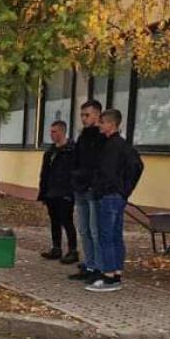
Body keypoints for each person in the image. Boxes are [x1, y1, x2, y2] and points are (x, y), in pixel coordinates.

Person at [87, 108, 134, 293]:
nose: (99, 125)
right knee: (115, 235)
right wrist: (124, 191)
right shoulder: (122, 145)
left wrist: (114, 189)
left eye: (102, 122)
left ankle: (108, 276)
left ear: (112, 124)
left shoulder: (113, 146)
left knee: (106, 236)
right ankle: (116, 272)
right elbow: (137, 166)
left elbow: (109, 172)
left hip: (108, 196)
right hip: (116, 195)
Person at [69, 100, 106, 283]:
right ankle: (89, 264)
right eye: (82, 115)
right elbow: (77, 160)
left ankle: (99, 267)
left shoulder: (102, 137)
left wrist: (93, 182)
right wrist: (74, 179)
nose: (83, 119)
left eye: (87, 115)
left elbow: (99, 164)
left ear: (97, 115)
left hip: (93, 189)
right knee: (83, 229)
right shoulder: (82, 136)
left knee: (95, 230)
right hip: (80, 188)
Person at [37, 120, 78, 263]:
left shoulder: (72, 150)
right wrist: (42, 192)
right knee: (54, 221)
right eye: (51, 131)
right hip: (51, 192)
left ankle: (73, 250)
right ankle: (56, 248)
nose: (51, 134)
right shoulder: (50, 152)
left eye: (54, 132)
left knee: (67, 221)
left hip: (66, 192)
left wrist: (72, 190)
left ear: (62, 132)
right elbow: (44, 173)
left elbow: (76, 172)